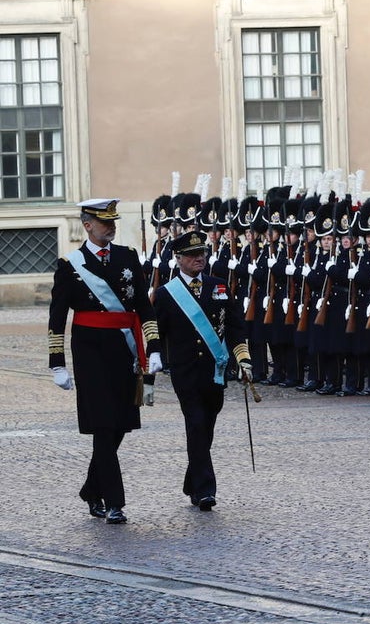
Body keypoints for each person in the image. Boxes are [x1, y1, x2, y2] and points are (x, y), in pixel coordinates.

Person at [48, 199, 162, 524]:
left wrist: (153, 347)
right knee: (103, 425)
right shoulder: (70, 265)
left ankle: (90, 489)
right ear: (87, 226)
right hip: (90, 353)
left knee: (119, 426)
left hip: (125, 351)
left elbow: (143, 306)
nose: (111, 226)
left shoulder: (127, 257)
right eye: (104, 222)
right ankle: (115, 503)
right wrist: (57, 362)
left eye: (113, 221)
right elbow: (57, 318)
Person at [152, 231, 253, 510]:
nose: (199, 259)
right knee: (195, 424)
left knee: (206, 427)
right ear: (179, 259)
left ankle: (192, 479)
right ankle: (205, 490)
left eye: (202, 254)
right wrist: (153, 361)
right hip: (185, 372)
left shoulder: (218, 286)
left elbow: (234, 326)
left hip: (215, 370)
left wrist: (242, 358)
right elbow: (156, 333)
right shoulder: (165, 294)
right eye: (193, 255)